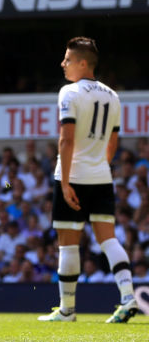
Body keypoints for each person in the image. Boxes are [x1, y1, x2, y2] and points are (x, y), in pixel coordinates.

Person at [38, 37, 138, 323]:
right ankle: (128, 297)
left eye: (67, 59)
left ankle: (67, 310)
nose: (63, 64)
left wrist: (67, 182)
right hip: (101, 176)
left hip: (74, 175)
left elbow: (66, 140)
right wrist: (100, 167)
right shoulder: (112, 95)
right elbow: (113, 141)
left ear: (83, 63)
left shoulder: (69, 92)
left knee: (68, 243)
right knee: (108, 239)